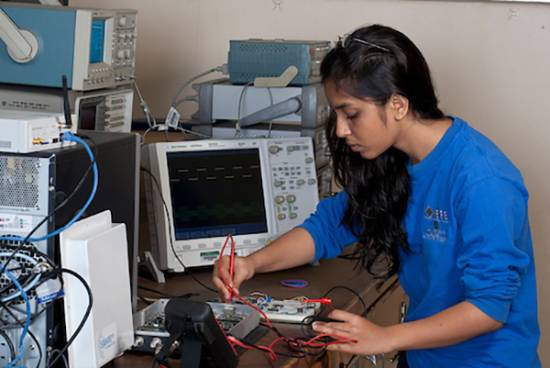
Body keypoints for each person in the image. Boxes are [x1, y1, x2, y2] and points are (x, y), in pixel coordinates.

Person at [212, 24, 540, 367]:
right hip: (422, 357)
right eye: (337, 114)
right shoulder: (393, 159)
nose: (340, 130)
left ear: (397, 105)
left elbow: (488, 308)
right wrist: (251, 264)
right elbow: (327, 227)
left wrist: (387, 337)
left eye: (351, 114)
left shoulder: (482, 179)